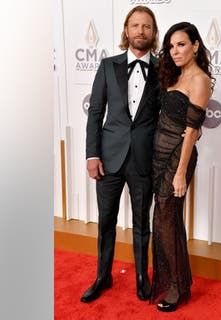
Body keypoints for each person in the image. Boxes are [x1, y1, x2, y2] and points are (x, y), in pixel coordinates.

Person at [81, 6, 160, 303]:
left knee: (142, 222)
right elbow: (95, 114)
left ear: (153, 33)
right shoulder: (107, 66)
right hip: (109, 158)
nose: (141, 31)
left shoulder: (164, 69)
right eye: (135, 25)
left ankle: (142, 276)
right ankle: (103, 275)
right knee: (106, 221)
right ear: (126, 31)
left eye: (147, 26)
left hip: (144, 159)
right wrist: (92, 155)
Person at [150, 22, 213, 312]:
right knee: (165, 219)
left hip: (178, 157)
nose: (175, 51)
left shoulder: (200, 80)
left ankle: (176, 287)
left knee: (166, 219)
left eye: (181, 44)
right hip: (159, 155)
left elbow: (191, 131)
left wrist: (179, 173)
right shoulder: (175, 73)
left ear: (196, 46)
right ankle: (177, 282)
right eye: (171, 46)